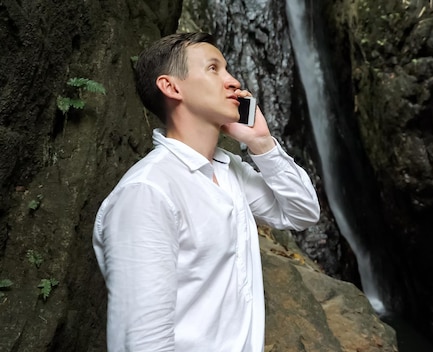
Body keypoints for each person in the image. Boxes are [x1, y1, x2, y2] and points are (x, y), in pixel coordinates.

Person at [92, 32, 320, 351]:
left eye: (227, 69)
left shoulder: (228, 172)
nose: (233, 82)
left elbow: (302, 213)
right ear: (171, 87)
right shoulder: (147, 193)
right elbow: (143, 343)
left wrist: (261, 143)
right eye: (214, 69)